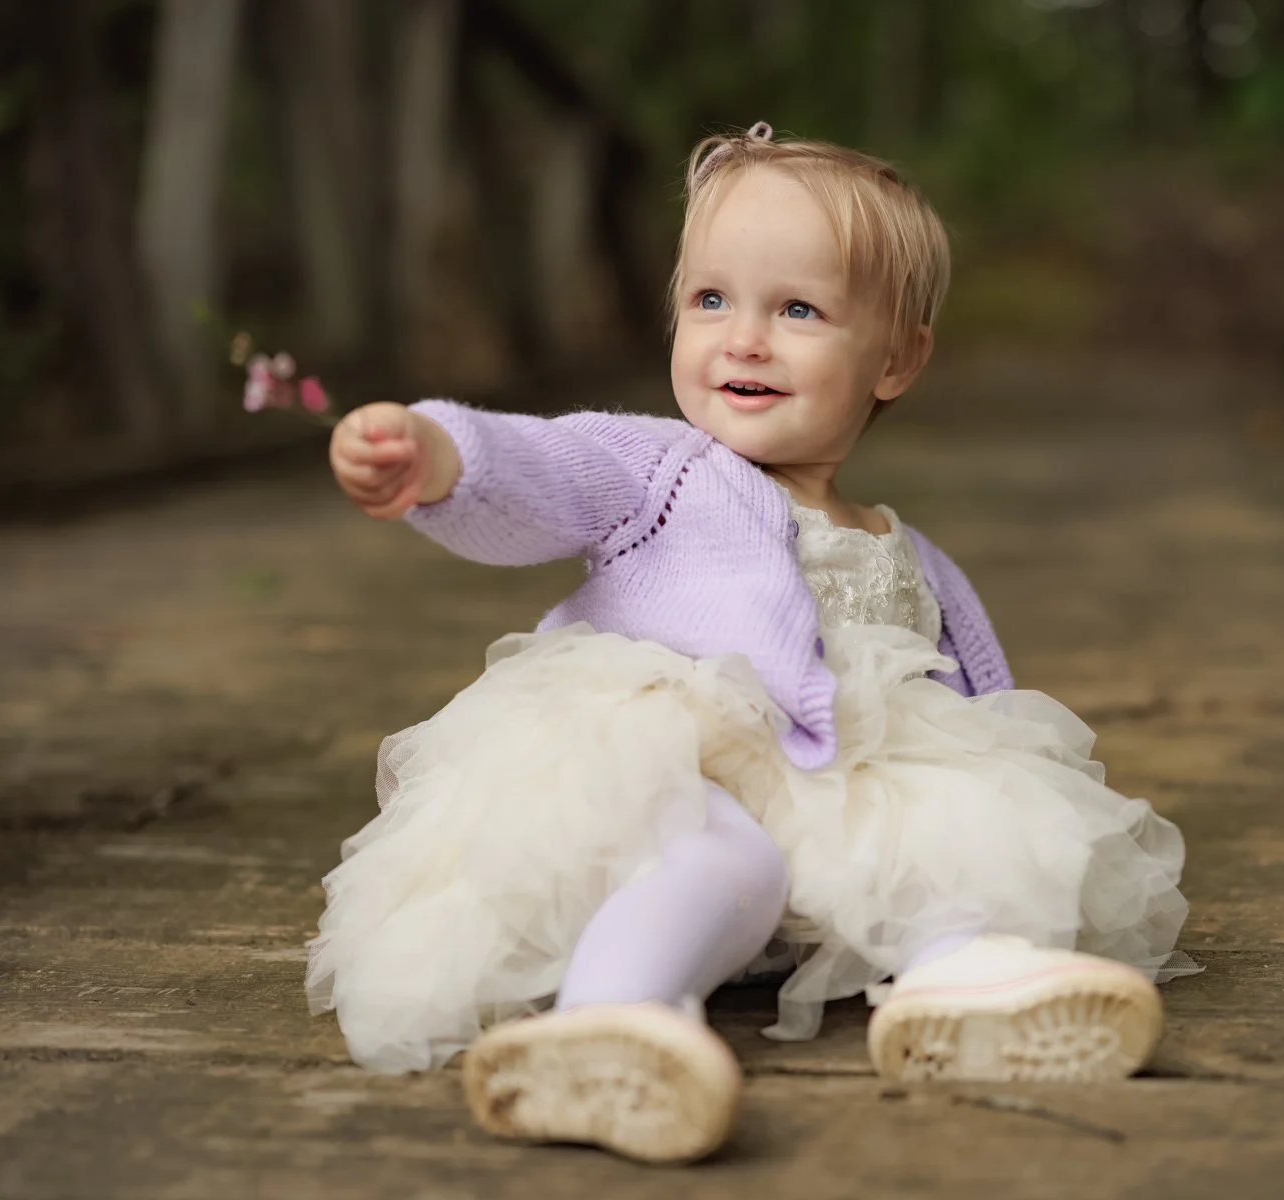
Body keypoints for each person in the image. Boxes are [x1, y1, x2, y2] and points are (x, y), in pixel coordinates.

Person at [307, 122, 1195, 1165]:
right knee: (721, 855)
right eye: (711, 300)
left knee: (947, 846)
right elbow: (542, 467)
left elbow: (977, 709)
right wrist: (437, 450)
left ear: (898, 358)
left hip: (835, 811)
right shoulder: (661, 470)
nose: (744, 338)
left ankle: (964, 988)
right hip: (668, 782)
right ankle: (615, 1021)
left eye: (800, 310)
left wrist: (1019, 830)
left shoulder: (905, 550)